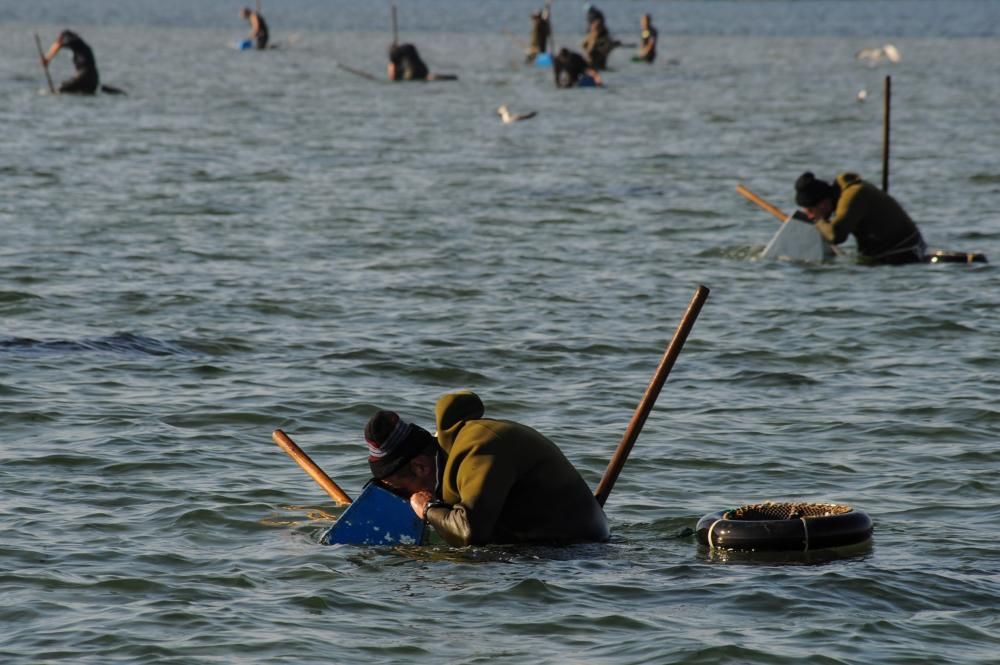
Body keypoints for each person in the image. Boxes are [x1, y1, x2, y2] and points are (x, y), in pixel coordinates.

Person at [364, 391, 610, 547]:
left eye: (402, 490)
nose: (407, 500)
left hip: (580, 555)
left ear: (419, 467)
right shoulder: (452, 454)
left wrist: (427, 508)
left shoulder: (479, 448)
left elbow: (471, 533)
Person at [794, 172, 927, 265]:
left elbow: (836, 236)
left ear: (824, 203)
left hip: (904, 256)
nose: (810, 215)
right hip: (890, 254)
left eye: (811, 211)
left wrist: (818, 221)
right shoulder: (844, 193)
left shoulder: (853, 195)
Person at [40, 30, 99, 94]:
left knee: (60, 90)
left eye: (60, 38)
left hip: (84, 76)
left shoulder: (73, 40)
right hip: (94, 80)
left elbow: (58, 44)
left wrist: (47, 59)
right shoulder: (81, 45)